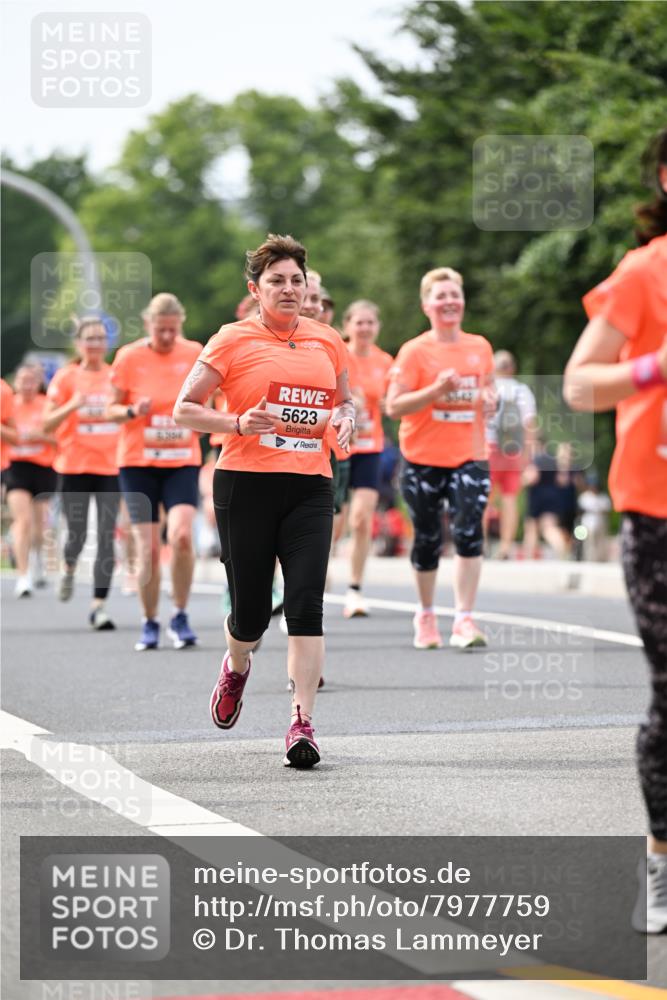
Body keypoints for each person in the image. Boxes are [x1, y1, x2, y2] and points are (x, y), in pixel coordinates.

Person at [173, 234, 354, 768]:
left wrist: (346, 417)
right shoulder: (231, 339)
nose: (289, 289)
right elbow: (185, 408)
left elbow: (344, 401)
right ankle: (236, 664)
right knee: (249, 613)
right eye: (276, 280)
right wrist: (234, 421)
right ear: (255, 289)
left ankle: (302, 723)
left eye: (297, 280)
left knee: (305, 604)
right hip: (244, 483)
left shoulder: (327, 340)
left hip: (310, 486)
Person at [564, 128, 667, 934]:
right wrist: (652, 366)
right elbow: (577, 385)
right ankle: (660, 862)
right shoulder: (643, 273)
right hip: (656, 509)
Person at [386, 266, 494, 650]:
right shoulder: (415, 351)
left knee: (469, 530)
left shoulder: (479, 346)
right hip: (422, 458)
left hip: (471, 455)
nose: (450, 302)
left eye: (455, 295)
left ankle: (464, 618)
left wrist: (490, 399)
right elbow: (394, 406)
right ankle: (426, 614)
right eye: (441, 296)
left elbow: (487, 388)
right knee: (428, 538)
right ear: (426, 305)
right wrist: (435, 390)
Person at [107, 293, 202, 651]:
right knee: (147, 548)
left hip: (181, 460)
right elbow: (109, 410)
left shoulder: (193, 351)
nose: (166, 337)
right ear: (148, 325)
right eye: (160, 330)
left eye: (172, 331)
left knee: (180, 537)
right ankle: (150, 621)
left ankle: (180, 614)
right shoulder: (129, 357)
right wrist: (133, 411)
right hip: (138, 463)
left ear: (181, 326)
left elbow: (218, 393)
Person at [43, 317, 121, 629]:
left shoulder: (115, 375)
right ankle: (69, 565)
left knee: (106, 536)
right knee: (77, 533)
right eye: (89, 339)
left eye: (100, 339)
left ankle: (99, 605)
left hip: (110, 465)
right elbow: (45, 424)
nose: (95, 344)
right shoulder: (65, 377)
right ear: (79, 343)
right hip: (74, 465)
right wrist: (72, 406)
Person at [341, 300, 393, 618]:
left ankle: (355, 588)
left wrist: (388, 404)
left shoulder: (385, 361)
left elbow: (391, 400)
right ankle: (314, 579)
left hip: (370, 446)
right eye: (358, 322)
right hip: (337, 446)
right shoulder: (336, 354)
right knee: (331, 524)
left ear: (377, 327)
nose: (364, 328)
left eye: (370, 323)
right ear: (347, 325)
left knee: (361, 518)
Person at [5, 365, 57, 597]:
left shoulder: (47, 405)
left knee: (39, 525)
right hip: (16, 466)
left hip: (44, 467)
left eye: (31, 381)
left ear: (38, 384)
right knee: (22, 521)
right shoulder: (8, 403)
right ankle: (23, 576)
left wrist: (42, 437)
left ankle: (38, 559)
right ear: (15, 383)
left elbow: (61, 441)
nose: (26, 386)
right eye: (22, 381)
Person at [486, 350, 537, 558]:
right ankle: (506, 546)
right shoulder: (522, 391)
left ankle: (479, 542)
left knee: (484, 498)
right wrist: (528, 457)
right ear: (513, 368)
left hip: (488, 447)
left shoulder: (487, 388)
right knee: (509, 498)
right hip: (513, 450)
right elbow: (529, 424)